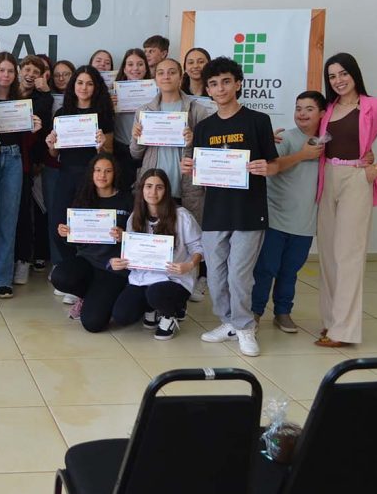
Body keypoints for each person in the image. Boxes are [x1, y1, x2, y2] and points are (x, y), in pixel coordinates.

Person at [182, 56, 278, 357]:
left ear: (237, 84)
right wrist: (191, 167)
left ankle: (246, 327)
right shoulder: (204, 127)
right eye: (213, 84)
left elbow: (274, 164)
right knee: (215, 275)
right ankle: (228, 323)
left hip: (249, 210)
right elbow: (202, 171)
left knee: (239, 274)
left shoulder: (258, 121)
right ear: (207, 90)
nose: (220, 88)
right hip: (215, 211)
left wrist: (267, 168)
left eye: (226, 82)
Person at [314, 53, 377, 347]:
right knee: (328, 254)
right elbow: (317, 141)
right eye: (332, 76)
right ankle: (331, 322)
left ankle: (344, 331)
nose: (338, 80)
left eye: (343, 73)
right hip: (328, 178)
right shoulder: (328, 109)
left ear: (354, 74)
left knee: (349, 255)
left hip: (356, 179)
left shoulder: (375, 106)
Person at [129, 58, 212, 301]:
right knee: (156, 240)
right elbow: (135, 154)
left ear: (180, 76)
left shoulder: (197, 110)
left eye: (172, 72)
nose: (166, 76)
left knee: (188, 240)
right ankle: (157, 286)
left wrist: (193, 140)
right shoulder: (144, 110)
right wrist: (137, 138)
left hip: (185, 186)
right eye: (161, 73)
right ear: (155, 78)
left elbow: (208, 154)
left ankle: (185, 287)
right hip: (154, 188)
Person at [251, 91, 329, 334]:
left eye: (309, 109)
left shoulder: (327, 142)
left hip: (304, 222)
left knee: (290, 271)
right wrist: (303, 155)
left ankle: (283, 312)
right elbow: (272, 167)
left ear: (322, 113)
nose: (302, 113)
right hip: (275, 218)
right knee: (265, 269)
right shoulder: (284, 138)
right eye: (298, 108)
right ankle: (254, 312)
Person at [110, 168, 203, 340]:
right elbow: (132, 254)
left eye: (159, 187)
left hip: (174, 279)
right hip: (143, 278)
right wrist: (118, 262)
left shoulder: (182, 216)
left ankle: (171, 313)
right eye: (149, 186)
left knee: (156, 293)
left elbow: (199, 247)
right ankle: (152, 307)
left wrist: (189, 265)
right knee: (122, 315)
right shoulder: (135, 218)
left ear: (166, 190)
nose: (153, 192)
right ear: (142, 189)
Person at [0, 52, 43, 298]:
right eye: (1, 70)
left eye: (9, 71)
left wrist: (34, 130)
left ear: (15, 74)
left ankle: (3, 279)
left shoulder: (21, 101)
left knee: (8, 219)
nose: (5, 75)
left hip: (14, 158)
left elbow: (26, 141)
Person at [49, 153, 132, 331]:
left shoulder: (127, 200)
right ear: (91, 173)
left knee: (93, 323)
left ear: (115, 173)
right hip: (87, 261)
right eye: (98, 170)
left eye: (108, 171)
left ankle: (112, 296)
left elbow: (139, 235)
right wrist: (66, 234)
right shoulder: (84, 198)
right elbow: (74, 243)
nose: (102, 175)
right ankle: (88, 295)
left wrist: (124, 236)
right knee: (60, 276)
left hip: (113, 269)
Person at [45, 66, 115, 268]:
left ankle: (89, 269)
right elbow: (55, 153)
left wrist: (101, 146)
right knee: (59, 224)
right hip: (66, 174)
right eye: (80, 82)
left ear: (96, 87)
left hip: (93, 178)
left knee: (90, 226)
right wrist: (51, 145)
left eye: (89, 83)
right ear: (73, 85)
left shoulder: (103, 114)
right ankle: (68, 268)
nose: (84, 88)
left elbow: (109, 153)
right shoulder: (62, 113)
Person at [15, 55, 55, 280]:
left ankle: (23, 260)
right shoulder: (7, 93)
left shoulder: (43, 99)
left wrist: (45, 92)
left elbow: (43, 129)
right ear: (19, 70)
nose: (30, 75)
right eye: (27, 70)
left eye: (36, 72)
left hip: (27, 162)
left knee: (24, 213)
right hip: (1, 158)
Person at [42, 59, 76, 277]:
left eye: (67, 74)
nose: (61, 78)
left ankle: (78, 265)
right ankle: (59, 264)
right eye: (57, 75)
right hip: (54, 165)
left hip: (80, 167)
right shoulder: (47, 99)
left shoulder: (87, 105)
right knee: (56, 217)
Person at [111, 48, 151, 193]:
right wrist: (109, 107)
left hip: (146, 150)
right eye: (130, 64)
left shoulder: (156, 92)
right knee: (123, 191)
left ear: (146, 68)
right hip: (121, 150)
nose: (135, 68)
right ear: (124, 68)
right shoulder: (113, 94)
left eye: (140, 64)